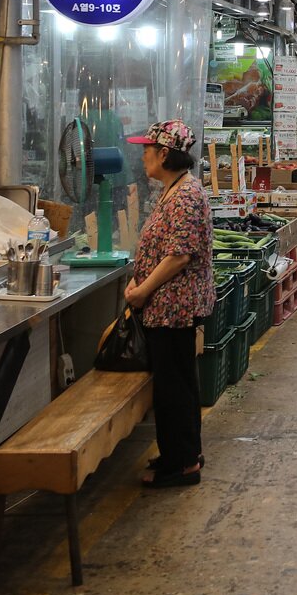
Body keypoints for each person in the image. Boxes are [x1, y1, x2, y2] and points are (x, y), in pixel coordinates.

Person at [124, 120, 214, 488]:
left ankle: (181, 465)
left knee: (173, 386)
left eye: (147, 149)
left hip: (173, 307)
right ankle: (185, 452)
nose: (142, 155)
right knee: (177, 382)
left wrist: (143, 290)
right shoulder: (173, 190)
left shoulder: (186, 195)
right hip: (167, 305)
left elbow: (180, 255)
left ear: (164, 154)